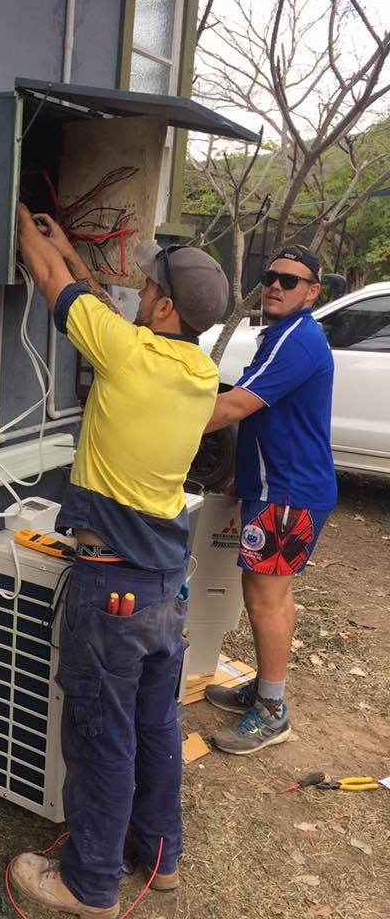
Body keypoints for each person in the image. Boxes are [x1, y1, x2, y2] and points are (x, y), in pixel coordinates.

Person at [8, 204, 229, 919]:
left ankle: (90, 883)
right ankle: (161, 859)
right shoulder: (196, 371)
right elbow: (107, 316)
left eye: (147, 287)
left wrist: (18, 209)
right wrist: (73, 250)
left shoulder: (126, 352)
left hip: (113, 589)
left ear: (163, 304)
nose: (135, 292)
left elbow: (48, 280)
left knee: (102, 735)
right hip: (166, 585)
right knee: (156, 725)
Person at [202, 245, 337, 755]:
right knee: (266, 590)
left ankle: (272, 711)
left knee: (266, 596)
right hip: (273, 487)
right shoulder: (279, 335)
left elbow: (236, 405)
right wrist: (243, 477)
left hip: (291, 493)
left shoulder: (299, 341)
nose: (276, 285)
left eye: (290, 279)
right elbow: (266, 416)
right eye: (271, 276)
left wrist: (158, 424)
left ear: (313, 292)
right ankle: (264, 689)